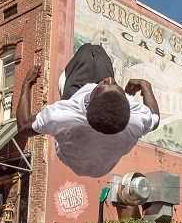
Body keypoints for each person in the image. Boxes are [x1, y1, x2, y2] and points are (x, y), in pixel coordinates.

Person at [13, 44, 161, 177]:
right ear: (127, 108)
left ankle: (84, 75)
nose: (109, 80)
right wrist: (146, 86)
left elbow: (24, 126)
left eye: (104, 84)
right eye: (115, 84)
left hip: (71, 156)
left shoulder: (64, 115)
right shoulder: (136, 121)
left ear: (88, 102)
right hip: (102, 166)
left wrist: (27, 84)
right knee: (99, 52)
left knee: (86, 52)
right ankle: (106, 86)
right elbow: (155, 119)